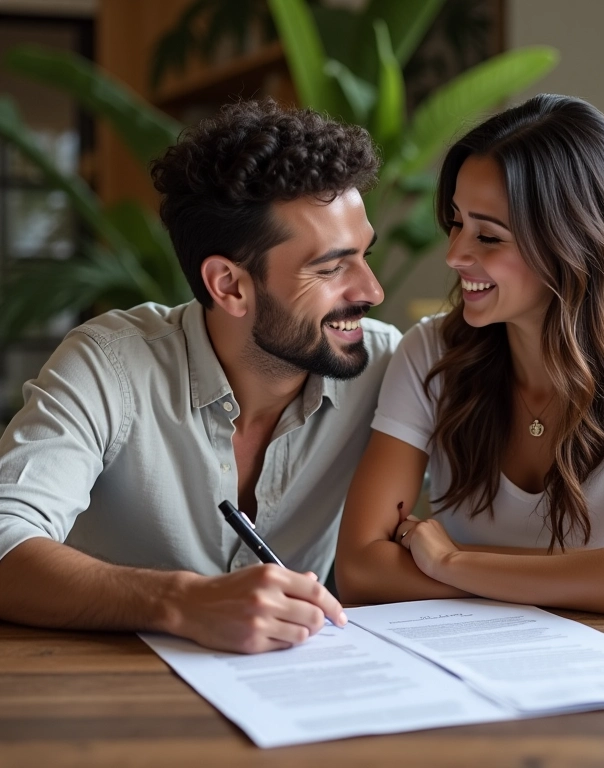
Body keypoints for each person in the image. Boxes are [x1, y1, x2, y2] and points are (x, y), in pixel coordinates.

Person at [0, 99, 401, 652]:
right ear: (229, 286)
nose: (372, 290)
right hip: (109, 686)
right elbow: (5, 539)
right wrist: (180, 601)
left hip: (294, 686)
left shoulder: (386, 367)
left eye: (364, 256)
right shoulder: (109, 364)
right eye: (331, 268)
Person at [335, 94, 604, 620]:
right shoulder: (430, 352)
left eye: (488, 236)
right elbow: (360, 569)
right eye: (456, 222)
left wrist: (452, 561)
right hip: (483, 651)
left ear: (571, 241)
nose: (454, 254)